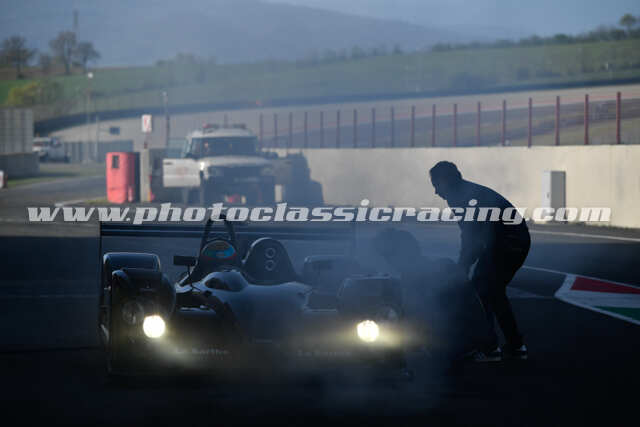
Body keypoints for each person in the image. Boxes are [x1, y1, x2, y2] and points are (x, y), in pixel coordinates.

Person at [428, 161, 530, 362]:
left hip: (506, 243)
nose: (436, 192)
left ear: (445, 181)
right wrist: (465, 264)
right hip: (515, 240)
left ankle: (490, 348)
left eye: (436, 185)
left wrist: (462, 266)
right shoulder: (464, 191)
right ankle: (515, 346)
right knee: (493, 293)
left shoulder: (460, 196)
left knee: (481, 291)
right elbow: (473, 236)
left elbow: (471, 237)